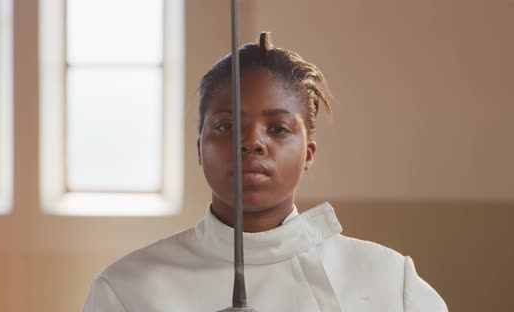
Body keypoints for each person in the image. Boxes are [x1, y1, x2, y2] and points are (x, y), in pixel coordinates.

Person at [82, 32, 448, 312]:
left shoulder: (390, 280)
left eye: (278, 129)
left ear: (308, 153)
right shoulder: (126, 290)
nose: (252, 143)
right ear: (199, 148)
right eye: (226, 127)